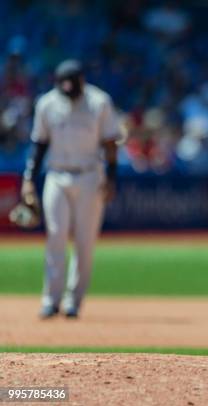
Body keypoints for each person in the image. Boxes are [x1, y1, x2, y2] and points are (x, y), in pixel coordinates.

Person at [21, 59, 121, 319]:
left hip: (90, 176)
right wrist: (28, 179)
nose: (69, 91)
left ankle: (73, 301)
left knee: (84, 241)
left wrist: (111, 178)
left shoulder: (99, 102)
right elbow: (39, 144)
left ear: (82, 82)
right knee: (55, 235)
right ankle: (50, 300)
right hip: (56, 175)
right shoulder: (47, 104)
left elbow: (110, 142)